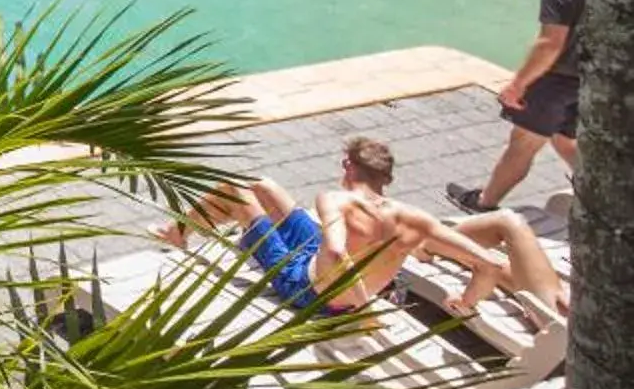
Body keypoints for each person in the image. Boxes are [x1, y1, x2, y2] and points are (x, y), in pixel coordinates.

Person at [161, 138, 565, 320]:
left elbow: (337, 255)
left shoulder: (334, 201)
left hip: (308, 288)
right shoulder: (414, 218)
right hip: (326, 267)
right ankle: (178, 231)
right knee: (261, 183)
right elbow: (487, 264)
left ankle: (179, 232)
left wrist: (362, 308)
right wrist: (468, 301)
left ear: (348, 169)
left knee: (238, 192)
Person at [449, 0, 592, 215]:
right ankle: (603, 194)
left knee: (523, 144)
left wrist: (518, 85)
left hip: (554, 82)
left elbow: (549, 45)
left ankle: (484, 204)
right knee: (565, 138)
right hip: (591, 82)